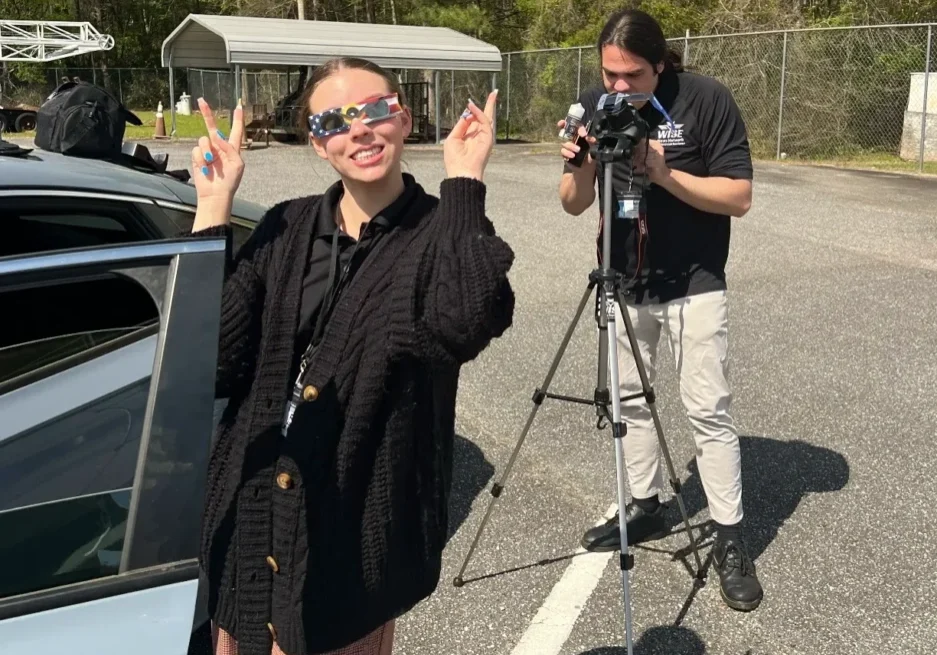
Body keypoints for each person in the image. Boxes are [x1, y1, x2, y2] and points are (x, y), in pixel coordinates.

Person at [185, 57, 515, 655]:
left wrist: (465, 181)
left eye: (374, 110)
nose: (359, 130)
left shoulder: (443, 231)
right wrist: (212, 208)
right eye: (335, 120)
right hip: (249, 527)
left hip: (351, 542)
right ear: (317, 143)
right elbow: (208, 362)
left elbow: (464, 322)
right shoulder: (286, 226)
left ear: (404, 117)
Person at [557, 9, 763, 611]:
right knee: (627, 401)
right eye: (609, 75)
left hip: (694, 281)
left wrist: (662, 174)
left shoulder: (705, 100)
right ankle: (644, 505)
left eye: (633, 76)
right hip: (622, 279)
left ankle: (729, 538)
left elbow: (739, 197)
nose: (618, 88)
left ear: (662, 62)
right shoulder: (597, 104)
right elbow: (572, 204)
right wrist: (578, 160)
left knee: (708, 409)